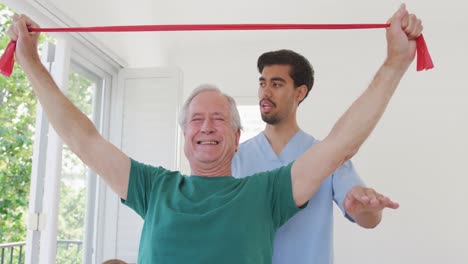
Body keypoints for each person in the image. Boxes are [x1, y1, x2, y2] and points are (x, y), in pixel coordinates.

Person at [7, 4, 421, 264]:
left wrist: (395, 63)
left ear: (238, 136)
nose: (206, 126)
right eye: (196, 119)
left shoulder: (265, 193)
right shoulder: (154, 187)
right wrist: (30, 61)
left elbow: (337, 147)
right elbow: (85, 141)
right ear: (184, 133)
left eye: (220, 119)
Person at [232, 38, 401, 264]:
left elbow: (366, 218)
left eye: (277, 84)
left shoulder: (326, 157)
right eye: (263, 83)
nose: (266, 92)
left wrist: (369, 209)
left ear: (300, 92)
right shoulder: (236, 158)